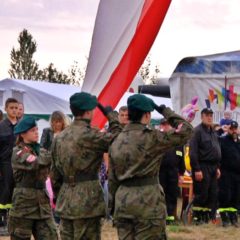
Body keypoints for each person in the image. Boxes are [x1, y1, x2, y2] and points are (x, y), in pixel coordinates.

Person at [109, 94, 193, 240]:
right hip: (148, 203)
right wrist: (165, 111)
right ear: (147, 115)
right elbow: (187, 130)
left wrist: (113, 206)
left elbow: (112, 177)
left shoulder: (116, 139)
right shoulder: (153, 137)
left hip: (123, 202)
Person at [51, 92, 122, 239]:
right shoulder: (91, 135)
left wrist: (60, 194)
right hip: (88, 200)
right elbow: (118, 138)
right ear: (89, 111)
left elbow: (55, 174)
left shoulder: (59, 138)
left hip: (66, 198)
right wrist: (112, 117)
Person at [8, 117, 57, 239]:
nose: (36, 132)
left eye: (37, 129)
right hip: (24, 206)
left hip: (42, 205)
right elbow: (36, 163)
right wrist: (50, 155)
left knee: (51, 236)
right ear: (23, 134)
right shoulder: (18, 152)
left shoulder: (40, 149)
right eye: (32, 130)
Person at [190, 108, 221, 224]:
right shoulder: (197, 131)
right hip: (202, 167)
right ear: (202, 116)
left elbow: (216, 150)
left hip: (213, 167)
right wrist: (197, 169)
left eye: (211, 116)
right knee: (201, 193)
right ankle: (197, 218)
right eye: (207, 115)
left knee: (212, 194)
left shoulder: (213, 132)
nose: (209, 118)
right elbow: (193, 152)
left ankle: (207, 217)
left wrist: (218, 167)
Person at [158, 118, 185, 225]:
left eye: (168, 124)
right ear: (161, 126)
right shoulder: (158, 139)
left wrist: (181, 174)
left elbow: (181, 158)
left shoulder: (177, 141)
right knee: (161, 195)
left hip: (173, 172)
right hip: (160, 172)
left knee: (172, 195)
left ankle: (171, 217)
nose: (166, 126)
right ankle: (161, 217)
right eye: (164, 125)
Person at [0, 98, 18, 236]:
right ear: (6, 109)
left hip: (20, 164)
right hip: (5, 164)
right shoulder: (1, 126)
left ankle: (15, 219)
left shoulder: (22, 126)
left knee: (17, 191)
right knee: (5, 190)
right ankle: (3, 220)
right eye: (11, 107)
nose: (14, 110)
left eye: (16, 108)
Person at [218, 121, 240, 227]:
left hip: (237, 174)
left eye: (235, 128)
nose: (234, 131)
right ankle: (224, 219)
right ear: (229, 130)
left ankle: (233, 218)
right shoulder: (222, 140)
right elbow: (214, 136)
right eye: (232, 129)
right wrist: (222, 129)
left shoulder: (238, 142)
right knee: (225, 196)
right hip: (225, 174)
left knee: (235, 197)